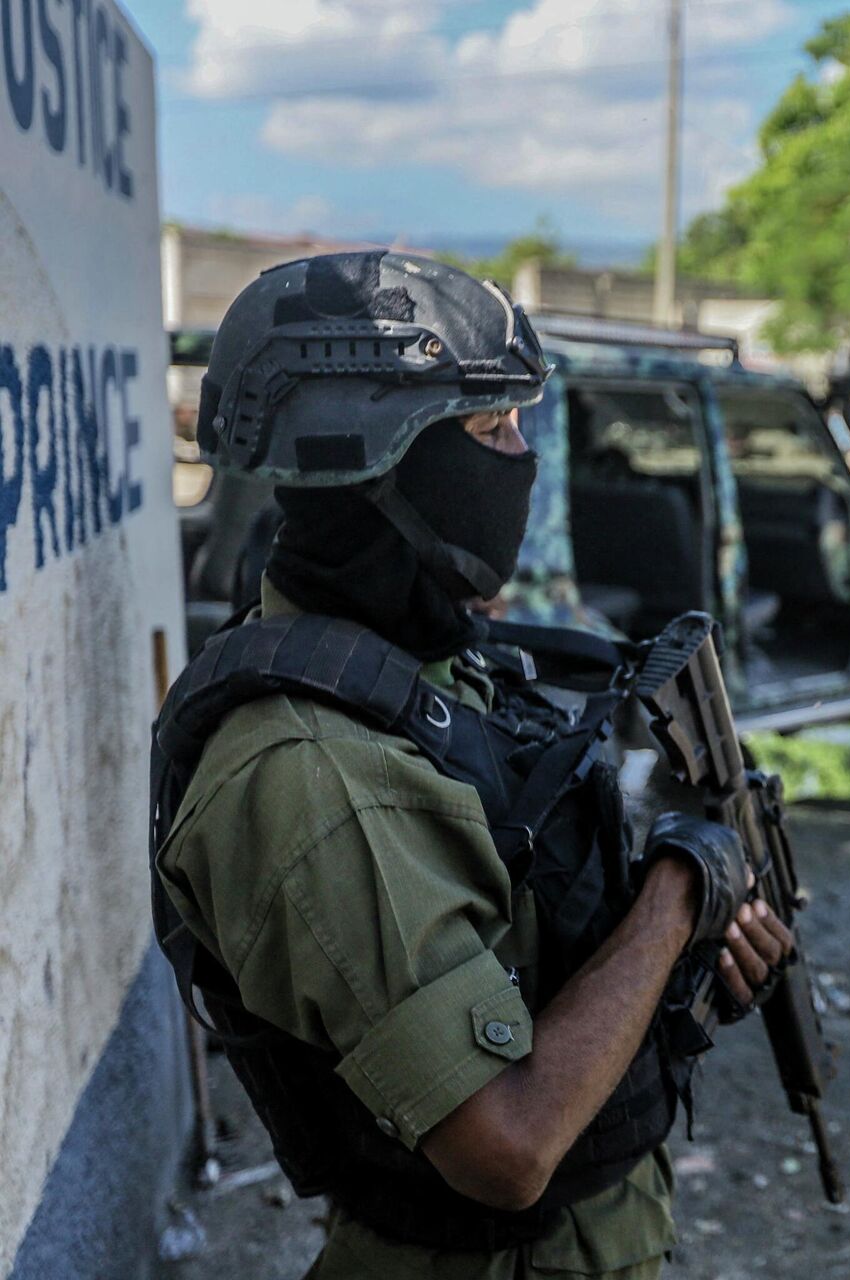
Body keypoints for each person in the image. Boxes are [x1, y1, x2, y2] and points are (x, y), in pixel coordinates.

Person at [150, 251, 793, 1278]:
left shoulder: (422, 659)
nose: (521, 458)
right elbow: (506, 1143)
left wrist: (679, 967)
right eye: (492, 429)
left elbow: (523, 929)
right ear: (385, 460)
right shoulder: (310, 773)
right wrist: (679, 894)